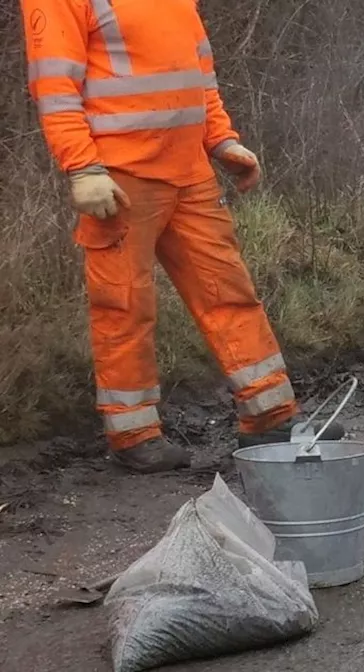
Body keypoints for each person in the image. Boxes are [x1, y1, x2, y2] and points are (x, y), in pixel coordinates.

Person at [20, 0, 345, 474]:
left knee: (229, 293)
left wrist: (221, 140)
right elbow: (55, 88)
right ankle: (133, 434)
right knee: (124, 306)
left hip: (189, 172)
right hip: (120, 177)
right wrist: (82, 167)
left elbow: (198, 74)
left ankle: (270, 417)